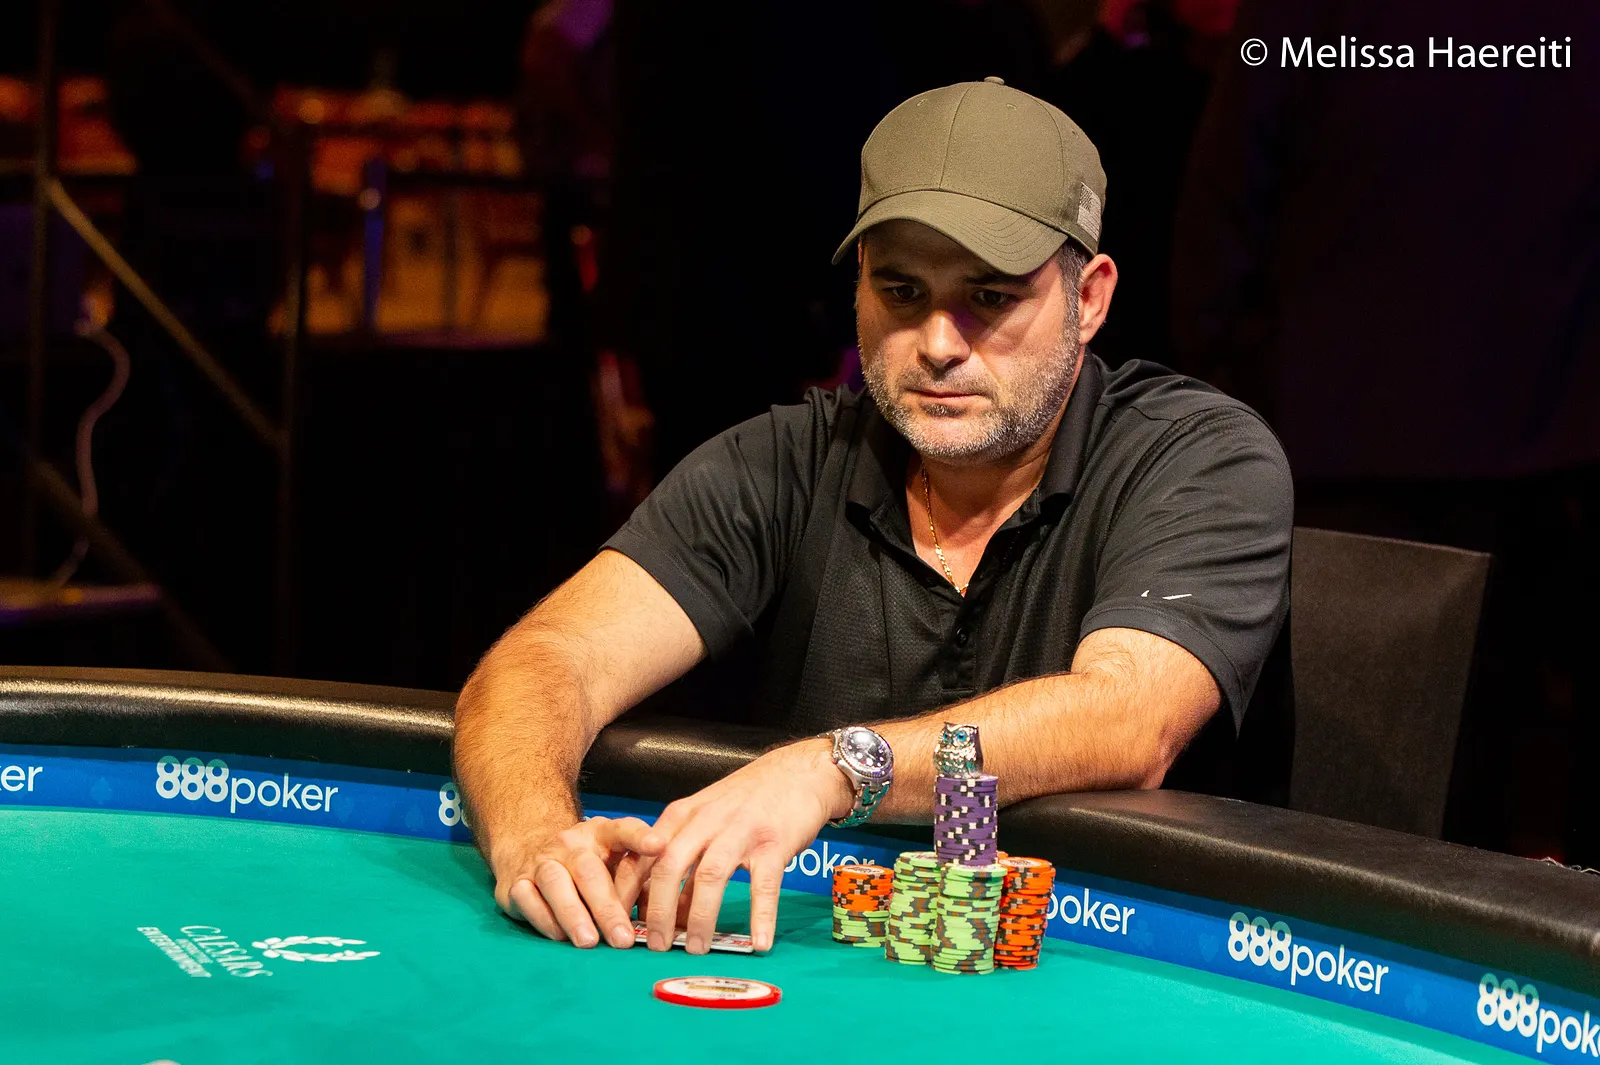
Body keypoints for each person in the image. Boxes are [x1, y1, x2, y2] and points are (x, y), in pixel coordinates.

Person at [454, 79, 1293, 958]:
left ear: (1089, 299)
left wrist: (833, 767)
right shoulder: (783, 461)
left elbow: (1129, 717)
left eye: (990, 297)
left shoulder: (1201, 458)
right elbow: (546, 659)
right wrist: (535, 834)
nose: (938, 343)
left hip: (1137, 973)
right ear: (858, 282)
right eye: (901, 290)